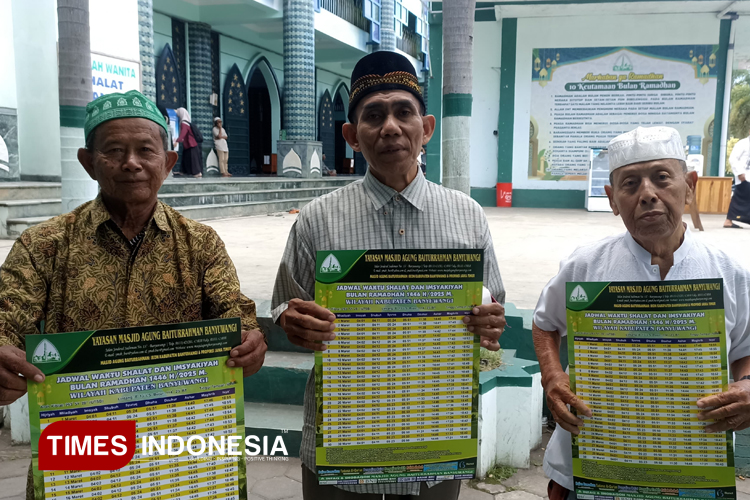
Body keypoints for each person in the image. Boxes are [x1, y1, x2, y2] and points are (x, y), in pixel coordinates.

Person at [0, 90, 268, 500]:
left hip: (182, 452)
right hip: (81, 457)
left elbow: (235, 313)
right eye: (113, 151)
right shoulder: (44, 246)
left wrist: (250, 341)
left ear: (168, 162)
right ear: (89, 163)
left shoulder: (201, 244)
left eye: (146, 149)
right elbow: (6, 319)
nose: (131, 163)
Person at [271, 51, 507, 500]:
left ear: (427, 128)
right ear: (351, 136)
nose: (391, 127)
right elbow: (285, 303)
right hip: (342, 434)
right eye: (373, 116)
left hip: (435, 436)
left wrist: (489, 322)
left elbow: (491, 304)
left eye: (404, 112)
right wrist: (293, 320)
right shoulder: (318, 219)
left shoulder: (468, 217)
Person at [532, 126, 750, 500]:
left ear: (690, 185)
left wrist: (747, 386)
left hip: (692, 470)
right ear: (612, 200)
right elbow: (544, 324)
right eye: (630, 184)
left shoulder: (728, 273)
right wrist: (552, 377)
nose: (647, 194)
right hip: (589, 468)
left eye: (662, 178)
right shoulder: (585, 267)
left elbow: (745, 349)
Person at [724, 128, 750, 228]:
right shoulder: (742, 143)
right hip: (744, 176)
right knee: (739, 199)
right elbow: (733, 158)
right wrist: (740, 172)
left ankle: (729, 220)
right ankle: (728, 221)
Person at [174, 107, 202, 178]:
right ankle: (183, 171)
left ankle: (197, 173)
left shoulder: (184, 122)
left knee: (193, 159)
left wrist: (177, 141)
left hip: (191, 144)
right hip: (188, 144)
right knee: (185, 158)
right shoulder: (186, 122)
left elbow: (183, 132)